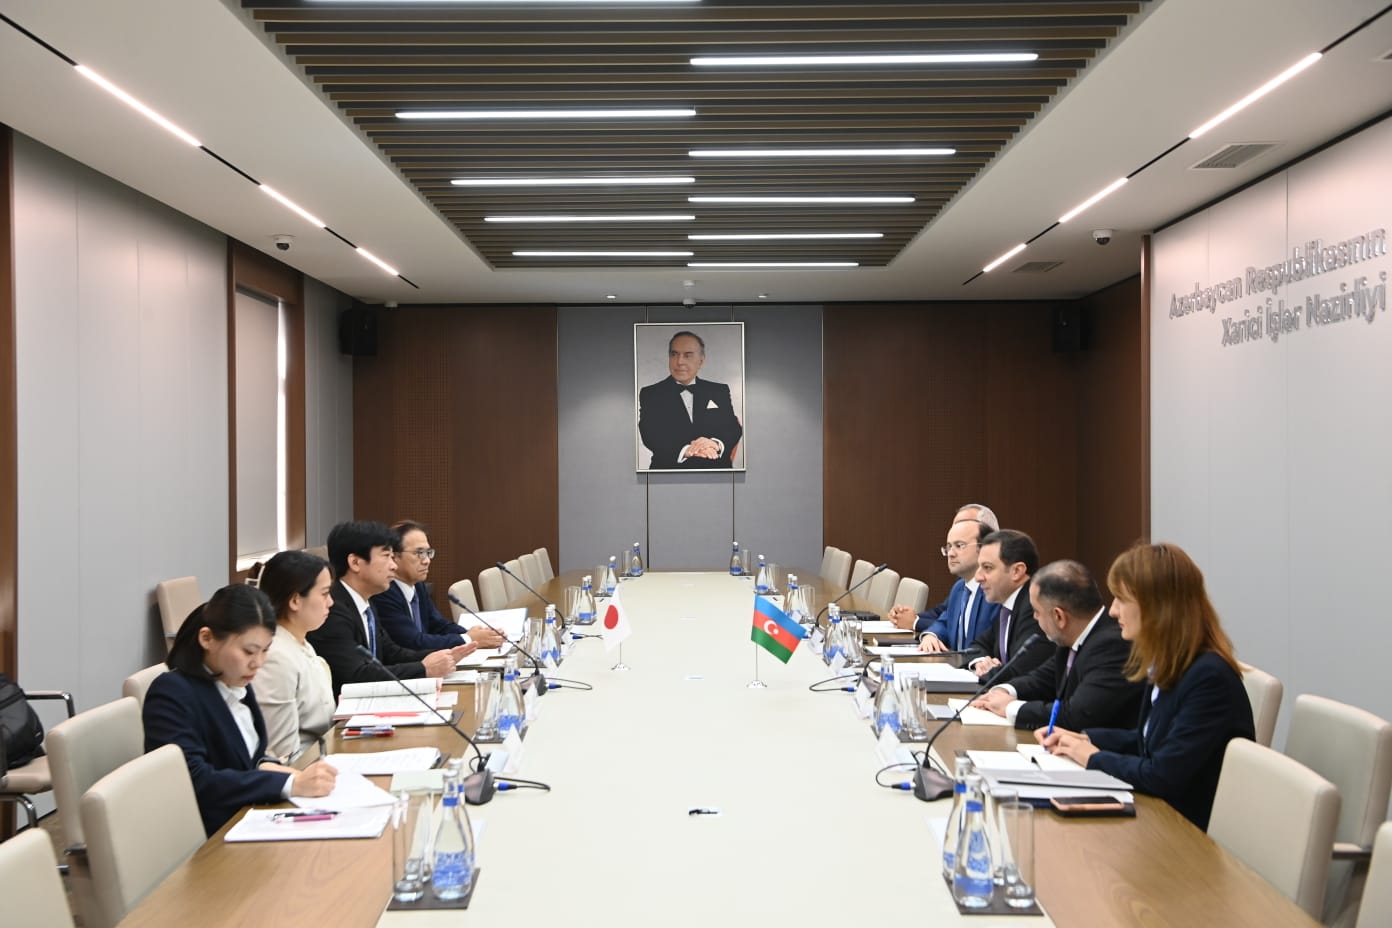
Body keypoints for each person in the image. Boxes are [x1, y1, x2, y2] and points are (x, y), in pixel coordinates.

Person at [1039, 542, 1255, 830]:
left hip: (1186, 832)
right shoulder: (1170, 663)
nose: (1113, 611)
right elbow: (1147, 740)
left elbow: (1162, 774)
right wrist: (1084, 739)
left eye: (1121, 599)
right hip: (1162, 817)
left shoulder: (1208, 678)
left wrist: (1093, 757)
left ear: (1157, 607)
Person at [143, 584, 338, 836]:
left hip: (247, 816)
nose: (258, 663)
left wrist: (280, 770)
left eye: (265, 650)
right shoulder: (173, 692)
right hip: (213, 832)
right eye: (248, 651)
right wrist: (290, 783)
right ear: (207, 639)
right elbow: (194, 780)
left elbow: (246, 758)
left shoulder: (234, 679)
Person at [307, 520, 476, 696]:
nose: (393, 565)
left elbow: (391, 653)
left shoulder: (366, 601)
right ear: (355, 562)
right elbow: (356, 674)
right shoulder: (332, 609)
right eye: (386, 556)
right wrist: (423, 668)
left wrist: (445, 655)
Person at [970, 559, 1143, 731]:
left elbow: (1076, 715)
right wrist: (1004, 691)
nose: (1034, 618)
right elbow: (1042, 679)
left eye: (1037, 612)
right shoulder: (1072, 637)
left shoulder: (1113, 645)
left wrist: (1011, 707)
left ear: (1059, 617)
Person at [253, 550, 337, 762]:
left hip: (325, 756)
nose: (331, 602)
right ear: (295, 600)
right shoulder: (275, 657)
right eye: (324, 594)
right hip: (303, 769)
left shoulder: (300, 642)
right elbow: (283, 753)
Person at [372, 520, 505, 651]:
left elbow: (439, 625)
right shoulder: (384, 593)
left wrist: (478, 635)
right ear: (394, 557)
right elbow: (414, 642)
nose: (427, 561)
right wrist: (468, 639)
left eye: (428, 552)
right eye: (419, 553)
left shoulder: (418, 586)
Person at [886, 516, 999, 651]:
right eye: (949, 547)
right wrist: (931, 635)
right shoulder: (960, 588)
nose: (951, 554)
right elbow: (945, 622)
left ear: (984, 548)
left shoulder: (994, 591)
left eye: (959, 546)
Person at [638, 330, 743, 469]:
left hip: (717, 472)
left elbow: (732, 427)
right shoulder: (651, 394)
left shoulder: (719, 391)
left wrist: (715, 443)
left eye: (687, 355)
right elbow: (649, 433)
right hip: (667, 473)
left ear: (701, 361)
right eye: (674, 354)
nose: (679, 362)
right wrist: (686, 451)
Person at [961, 529, 1053, 684]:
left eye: (987, 567)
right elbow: (978, 645)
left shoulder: (1035, 607)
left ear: (1017, 571)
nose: (978, 577)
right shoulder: (1008, 606)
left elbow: (1021, 670)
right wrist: (981, 662)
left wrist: (988, 673)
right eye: (979, 567)